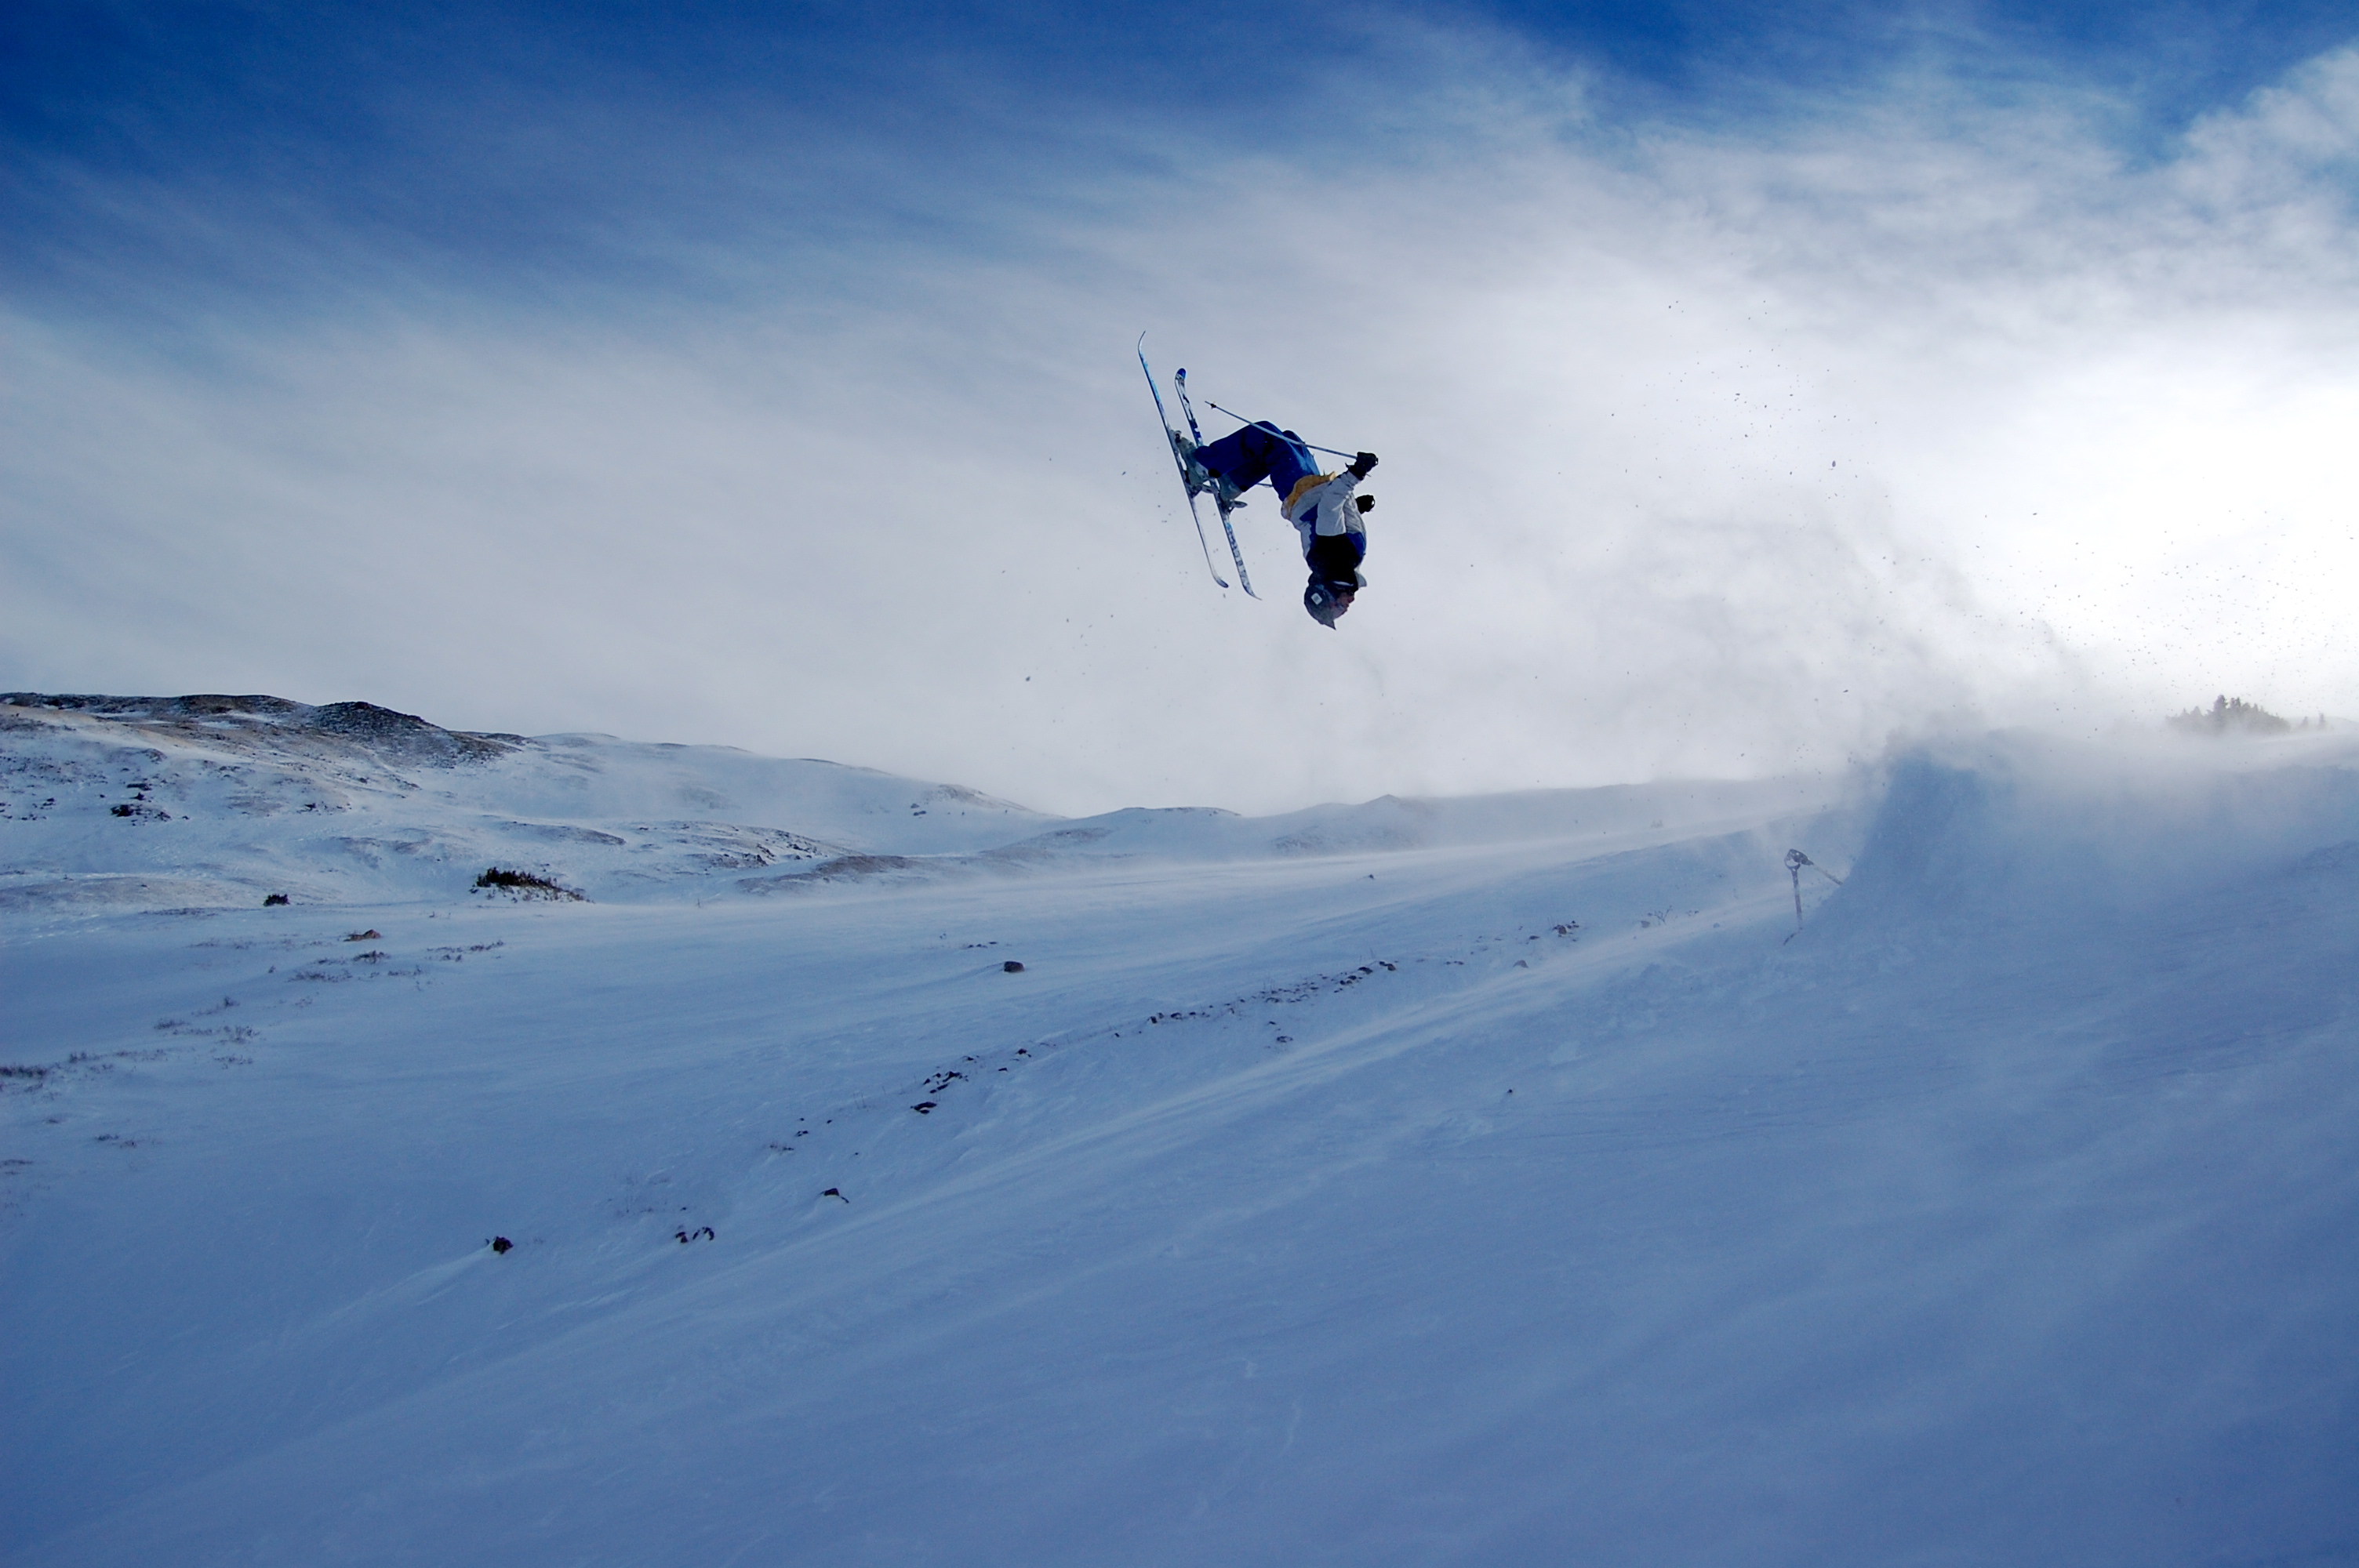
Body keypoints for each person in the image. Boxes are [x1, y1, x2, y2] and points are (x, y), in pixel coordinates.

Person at [1180, 420, 1379, 628]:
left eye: (1338, 609)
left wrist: (1356, 474)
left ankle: (1201, 465)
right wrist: (1355, 507)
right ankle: (1233, 482)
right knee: (1289, 440)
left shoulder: (1334, 561)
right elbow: (1335, 519)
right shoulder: (1343, 565)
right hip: (1314, 490)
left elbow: (1330, 507)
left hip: (1303, 491)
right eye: (1340, 611)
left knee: (1267, 438)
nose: (1346, 608)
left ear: (1328, 593)